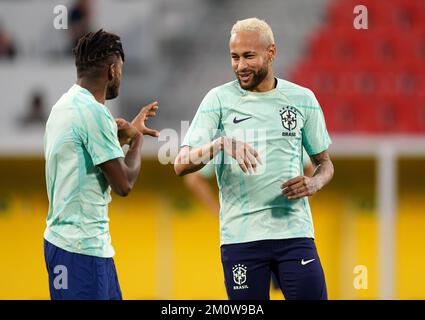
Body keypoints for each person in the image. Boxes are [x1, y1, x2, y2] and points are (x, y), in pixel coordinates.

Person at [174, 18, 334, 300]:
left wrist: (315, 183)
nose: (240, 66)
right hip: (242, 240)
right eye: (234, 57)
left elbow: (325, 163)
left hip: (295, 236)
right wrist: (220, 144)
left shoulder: (303, 99)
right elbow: (181, 164)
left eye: (249, 56)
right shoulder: (218, 100)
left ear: (271, 53)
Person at [43, 29, 159, 300]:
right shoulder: (95, 113)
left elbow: (86, 164)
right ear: (112, 71)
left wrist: (119, 139)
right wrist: (137, 140)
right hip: (81, 249)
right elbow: (124, 184)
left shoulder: (64, 105)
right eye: (120, 69)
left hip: (75, 245)